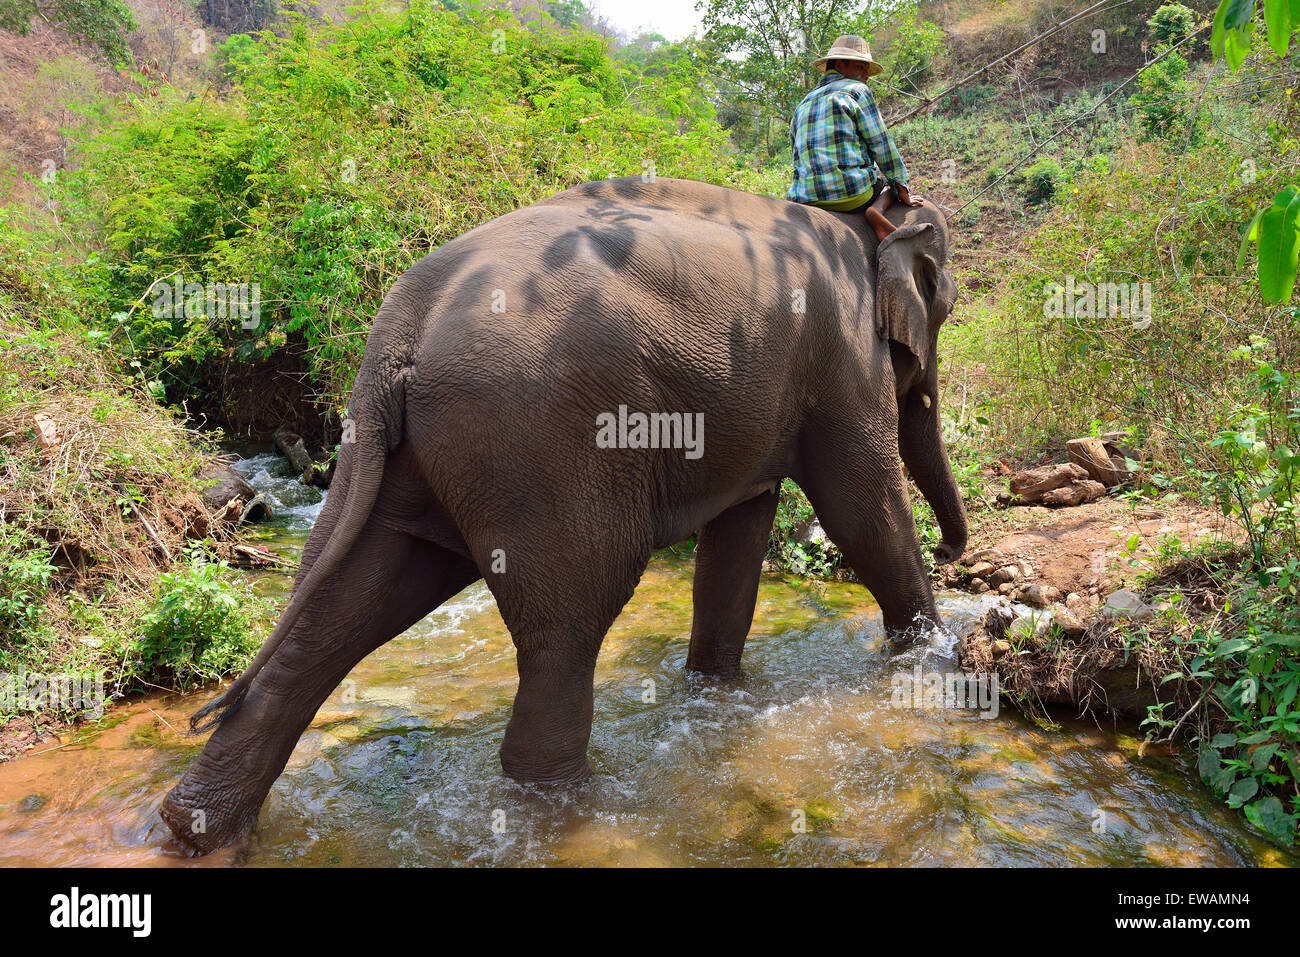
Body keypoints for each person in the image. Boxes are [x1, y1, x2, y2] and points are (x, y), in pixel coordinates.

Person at [787, 34, 923, 242]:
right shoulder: (857, 91)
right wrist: (902, 187)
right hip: (852, 196)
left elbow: (797, 157)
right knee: (889, 181)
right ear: (840, 64)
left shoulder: (802, 104)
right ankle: (876, 210)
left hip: (805, 200)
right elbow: (881, 144)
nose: (867, 73)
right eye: (861, 66)